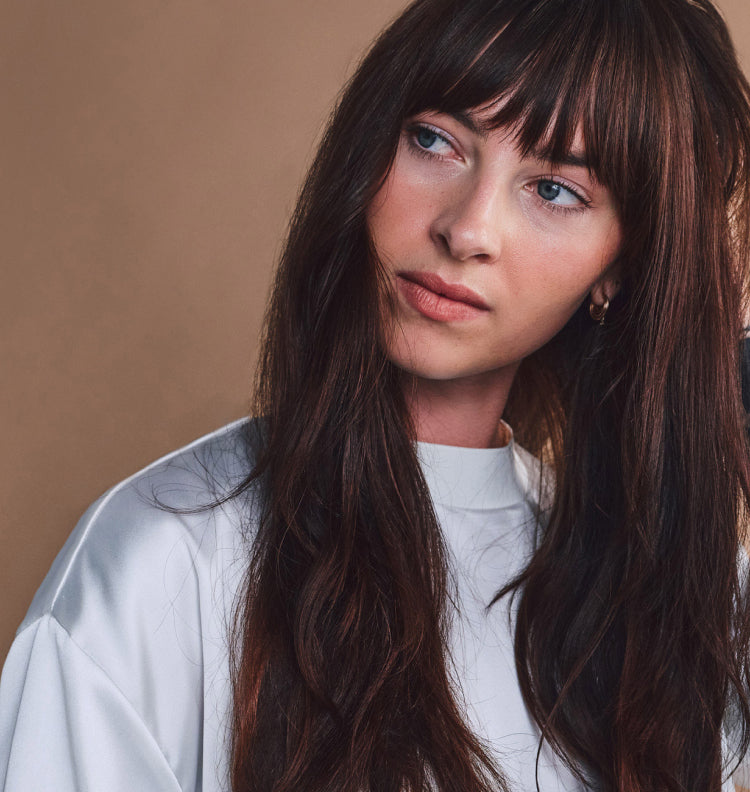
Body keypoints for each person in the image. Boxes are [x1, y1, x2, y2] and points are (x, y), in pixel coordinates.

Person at [2, 0, 750, 789]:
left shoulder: (661, 586)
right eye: (436, 141)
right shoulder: (166, 559)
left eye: (555, 190)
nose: (465, 229)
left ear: (621, 266)